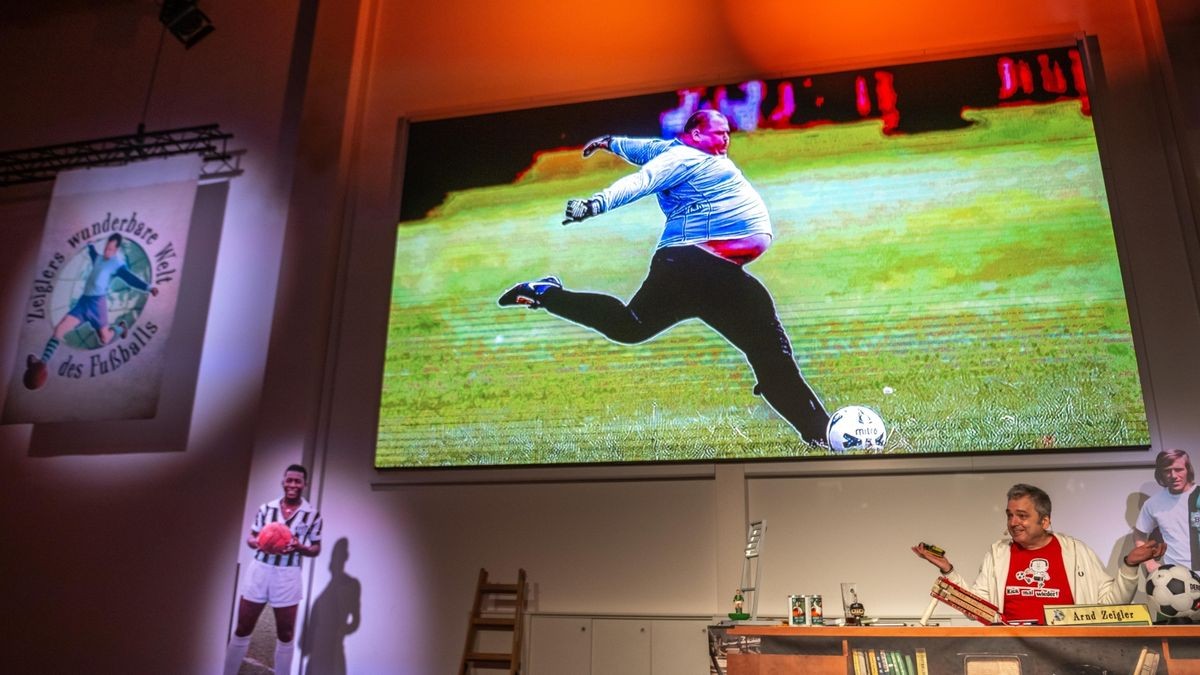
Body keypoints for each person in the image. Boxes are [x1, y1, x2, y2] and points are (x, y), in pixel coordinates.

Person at [497, 109, 829, 445]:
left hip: (708, 271)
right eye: (719, 132)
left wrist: (611, 143)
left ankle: (545, 293)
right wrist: (594, 204)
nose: (726, 138)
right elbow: (642, 181)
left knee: (633, 325)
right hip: (692, 265)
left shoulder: (678, 151)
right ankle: (817, 429)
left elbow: (644, 149)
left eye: (728, 132)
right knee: (765, 345)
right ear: (696, 134)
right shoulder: (685, 159)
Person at [912, 483, 1165, 624]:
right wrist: (948, 570)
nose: (1013, 522)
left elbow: (1112, 606)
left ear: (1045, 521)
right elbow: (977, 608)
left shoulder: (1075, 551)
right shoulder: (998, 553)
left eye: (1022, 516)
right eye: (1010, 515)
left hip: (1066, 654)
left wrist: (1129, 565)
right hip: (1009, 653)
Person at [223, 464, 324, 675]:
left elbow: (315, 548)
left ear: (305, 484)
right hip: (260, 569)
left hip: (288, 575)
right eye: (289, 480)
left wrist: (300, 547)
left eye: (298, 481)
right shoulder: (266, 509)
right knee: (243, 628)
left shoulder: (312, 515)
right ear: (283, 481)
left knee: (286, 634)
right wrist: (259, 542)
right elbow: (251, 537)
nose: (293, 485)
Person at [22, 233, 157, 390]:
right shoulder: (100, 258)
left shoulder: (118, 265)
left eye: (111, 249)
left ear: (116, 249)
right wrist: (90, 246)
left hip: (97, 305)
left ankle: (121, 328)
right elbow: (94, 255)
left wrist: (148, 287)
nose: (107, 252)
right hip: (83, 303)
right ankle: (42, 363)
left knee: (105, 338)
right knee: (60, 329)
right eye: (106, 248)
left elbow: (130, 278)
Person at [1133, 449, 1198, 572]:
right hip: (1178, 577)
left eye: (1178, 470)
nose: (1173, 476)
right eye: (1167, 471)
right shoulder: (1153, 504)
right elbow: (1139, 535)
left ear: (1188, 470)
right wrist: (1149, 563)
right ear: (1160, 474)